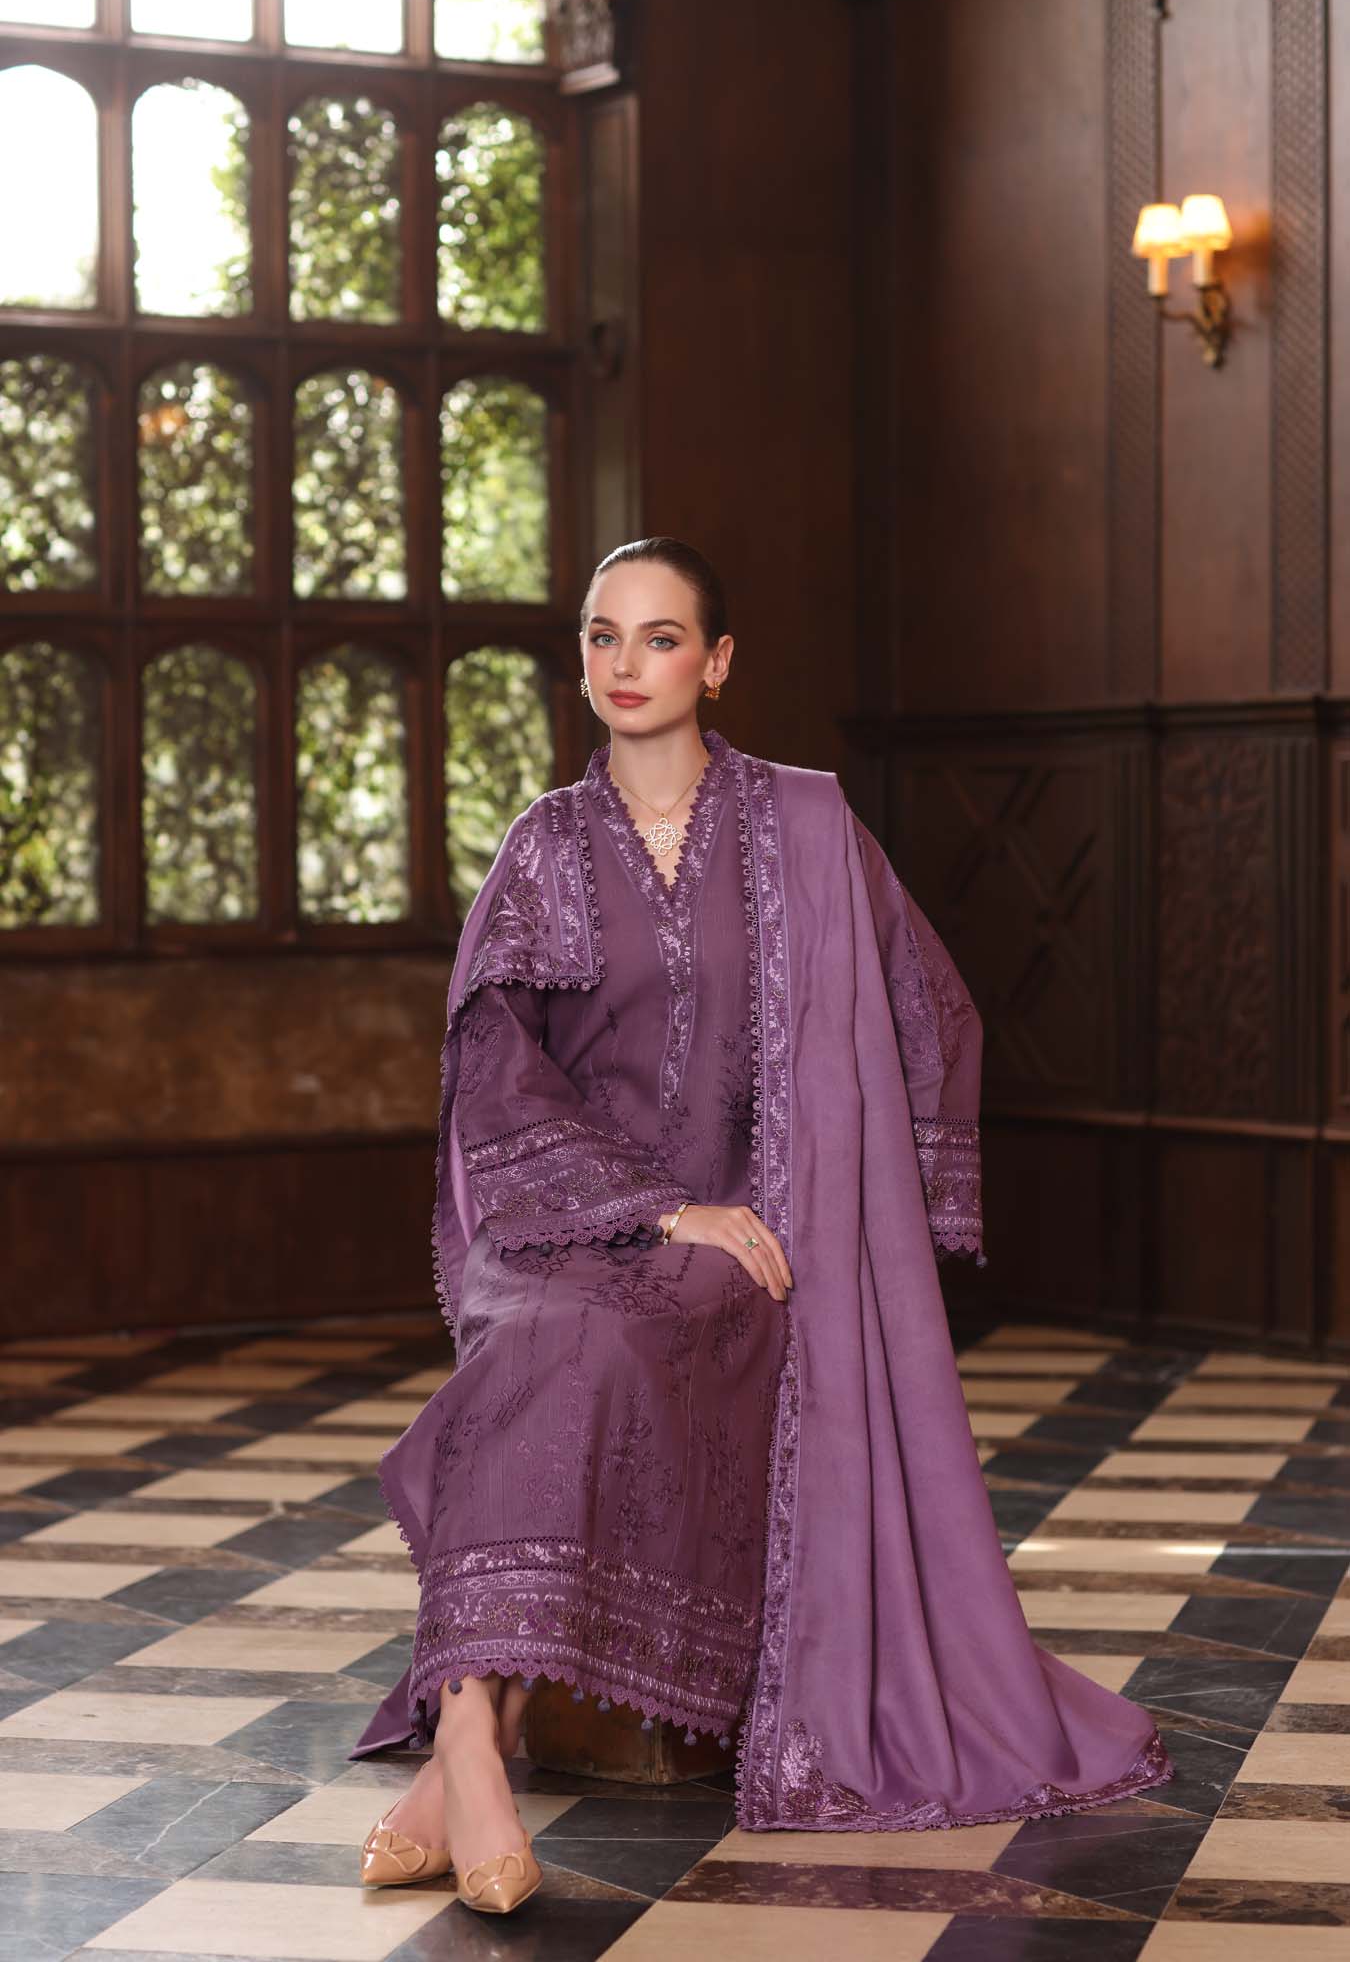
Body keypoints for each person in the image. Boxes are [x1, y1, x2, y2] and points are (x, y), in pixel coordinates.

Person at [351, 537, 1173, 1915]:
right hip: (565, 1223)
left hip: (760, 1238)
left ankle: (465, 1750)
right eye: (602, 636)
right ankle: (472, 1743)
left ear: (717, 662)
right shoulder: (545, 845)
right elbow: (493, 1071)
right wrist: (656, 1206)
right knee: (546, 1339)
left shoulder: (804, 827)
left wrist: (836, 1201)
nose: (625, 664)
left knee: (615, 1344)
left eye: (660, 637)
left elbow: (928, 1005)